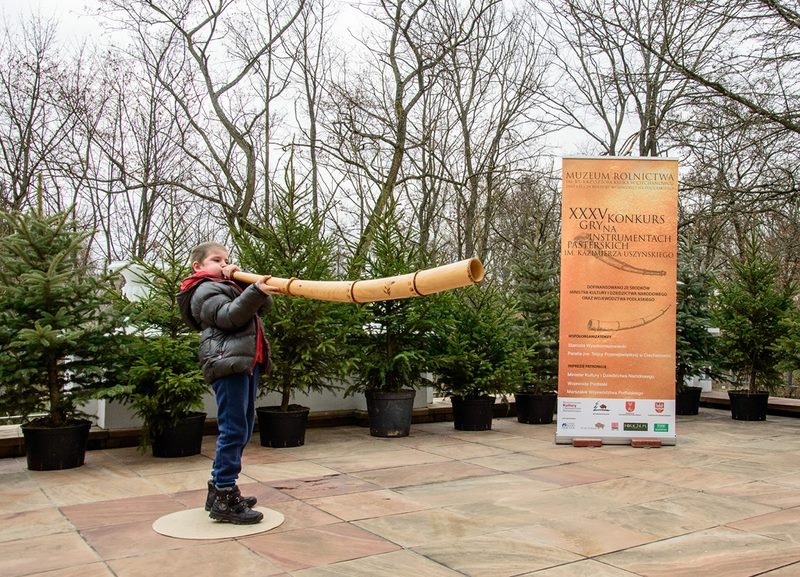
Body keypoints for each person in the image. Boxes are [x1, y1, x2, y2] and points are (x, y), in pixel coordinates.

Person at [177, 241, 280, 524]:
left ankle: (218, 489)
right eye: (216, 260)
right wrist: (253, 291)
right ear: (198, 266)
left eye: (226, 259)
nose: (224, 264)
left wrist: (251, 287)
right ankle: (224, 494)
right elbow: (229, 317)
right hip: (227, 363)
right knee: (233, 429)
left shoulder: (229, 285)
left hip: (244, 363)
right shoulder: (204, 289)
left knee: (243, 426)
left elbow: (264, 307)